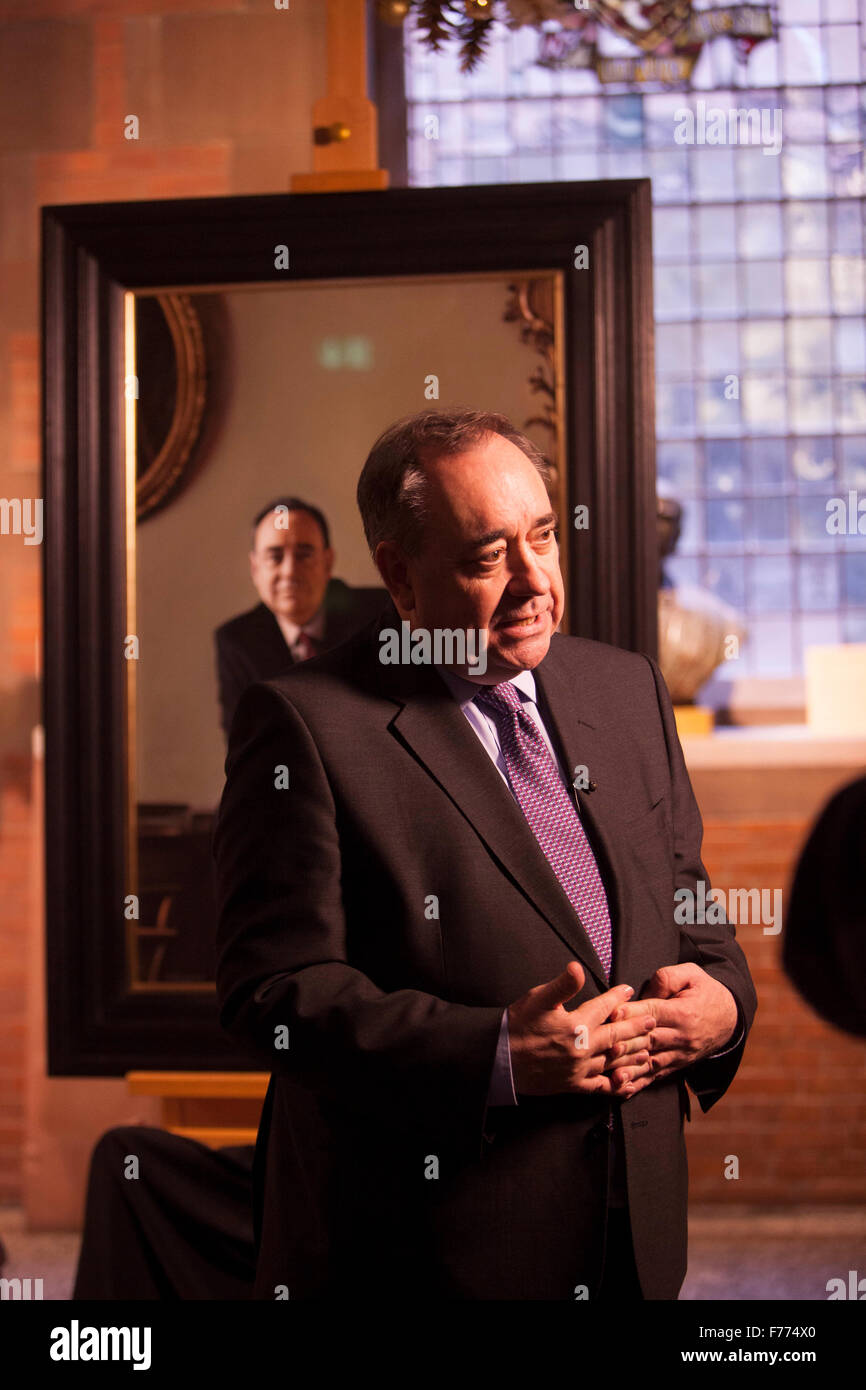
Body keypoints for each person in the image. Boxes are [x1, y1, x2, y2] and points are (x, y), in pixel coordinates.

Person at [213, 407, 757, 1301]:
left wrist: (725, 1006)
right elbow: (269, 994)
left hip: (636, 1230)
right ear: (399, 573)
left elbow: (690, 907)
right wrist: (496, 1054)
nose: (534, 580)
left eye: (542, 535)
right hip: (435, 1255)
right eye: (486, 556)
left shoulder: (626, 690)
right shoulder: (304, 724)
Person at [214, 497, 384, 737]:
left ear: (328, 563)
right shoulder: (237, 641)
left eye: (304, 555)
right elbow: (244, 746)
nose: (290, 571)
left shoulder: (380, 614)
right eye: (275, 557)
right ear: (255, 569)